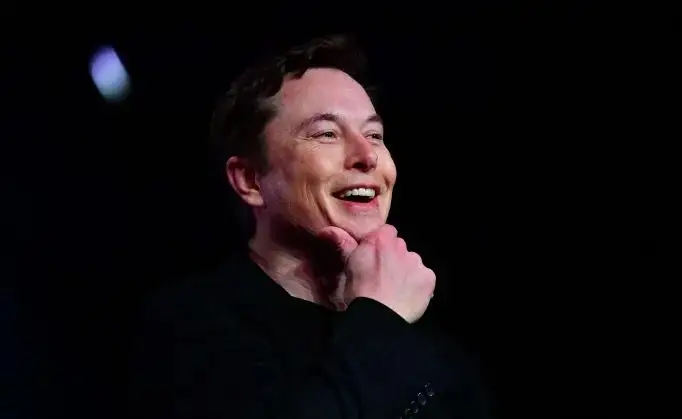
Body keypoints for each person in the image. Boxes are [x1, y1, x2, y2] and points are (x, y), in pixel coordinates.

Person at [129, 35, 491, 419]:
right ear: (250, 180)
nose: (367, 156)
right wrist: (381, 318)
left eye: (374, 135)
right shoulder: (192, 324)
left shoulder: (433, 342)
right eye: (326, 134)